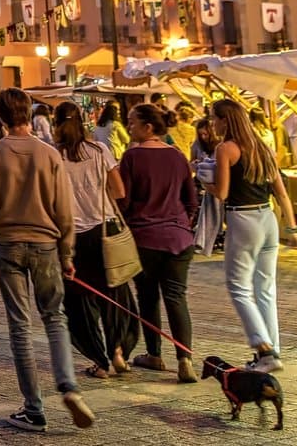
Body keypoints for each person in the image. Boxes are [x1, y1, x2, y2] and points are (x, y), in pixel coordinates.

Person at [0, 87, 95, 433]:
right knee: (55, 318)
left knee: (20, 326)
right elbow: (64, 211)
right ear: (28, 112)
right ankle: (68, 386)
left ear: (1, 115)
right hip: (46, 244)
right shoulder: (49, 154)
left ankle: (34, 408)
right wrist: (67, 252)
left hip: (7, 243)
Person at [209, 98, 297, 373]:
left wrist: (204, 181)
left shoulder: (225, 149)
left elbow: (222, 193)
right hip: (268, 218)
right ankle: (272, 351)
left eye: (214, 118)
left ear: (225, 120)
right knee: (265, 289)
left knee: (238, 287)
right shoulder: (264, 148)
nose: (212, 123)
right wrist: (293, 228)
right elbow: (282, 193)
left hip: (243, 218)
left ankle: (263, 347)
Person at [53, 101, 138, 380]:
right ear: (82, 122)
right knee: (114, 292)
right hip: (104, 230)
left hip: (71, 237)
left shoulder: (53, 156)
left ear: (56, 125)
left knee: (79, 302)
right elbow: (119, 189)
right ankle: (117, 350)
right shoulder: (100, 151)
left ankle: (99, 361)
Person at [117, 102, 199, 383]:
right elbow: (191, 199)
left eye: (132, 121)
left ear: (147, 127)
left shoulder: (132, 157)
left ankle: (154, 353)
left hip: (145, 237)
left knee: (148, 296)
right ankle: (184, 359)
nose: (129, 126)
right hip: (179, 238)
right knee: (176, 297)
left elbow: (123, 201)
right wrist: (181, 223)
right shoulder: (177, 156)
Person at [191, 118, 223, 255]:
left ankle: (217, 235)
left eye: (206, 134)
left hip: (217, 182)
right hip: (202, 181)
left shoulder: (221, 146)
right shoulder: (196, 145)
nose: (203, 137)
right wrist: (195, 165)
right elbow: (191, 162)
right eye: (201, 135)